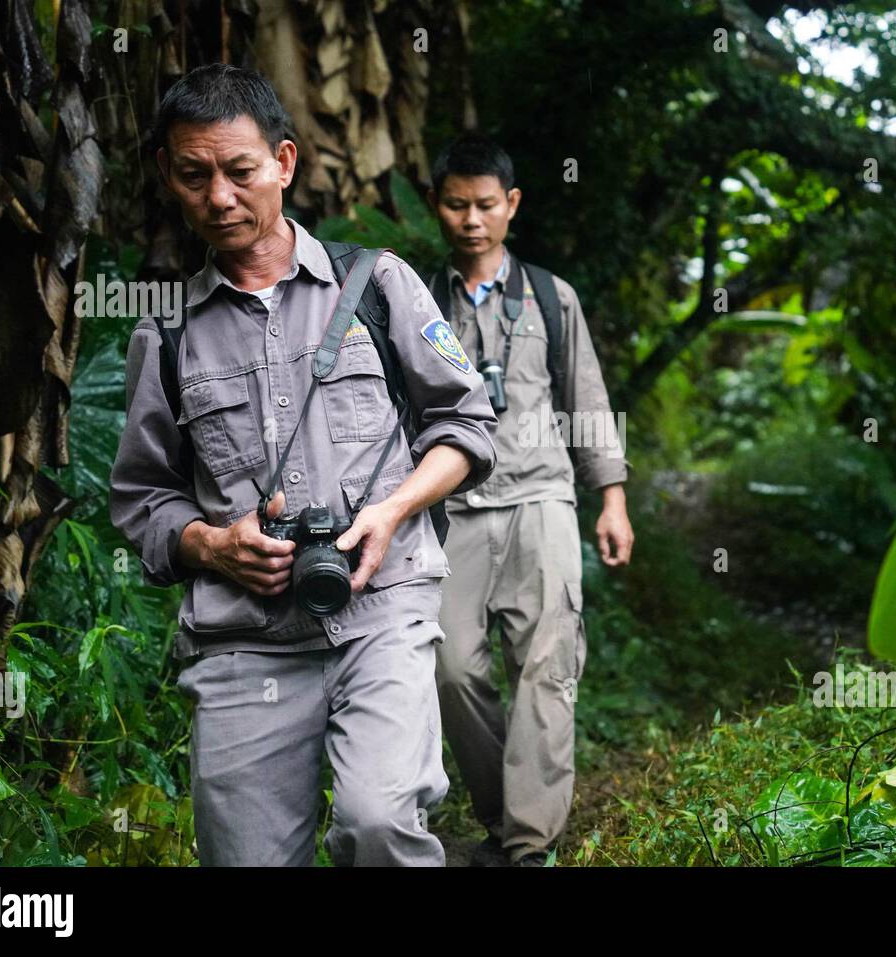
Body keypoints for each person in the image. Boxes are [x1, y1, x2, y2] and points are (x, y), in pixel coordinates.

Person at [108, 65, 497, 866]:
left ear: (283, 163)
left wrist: (390, 513)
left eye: (239, 171)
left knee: (379, 824)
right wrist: (212, 545)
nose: (218, 197)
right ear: (169, 179)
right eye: (194, 175)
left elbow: (466, 426)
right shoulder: (166, 333)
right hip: (244, 640)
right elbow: (142, 501)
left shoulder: (379, 284)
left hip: (381, 613)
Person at [425, 133, 634, 867]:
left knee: (547, 666)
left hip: (543, 498)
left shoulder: (551, 295)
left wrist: (610, 498)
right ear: (437, 205)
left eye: (486, 205)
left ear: (511, 205)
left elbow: (587, 399)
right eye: (457, 205)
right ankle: (499, 815)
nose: (472, 220)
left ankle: (528, 846)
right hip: (450, 511)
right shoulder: (414, 299)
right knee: (450, 667)